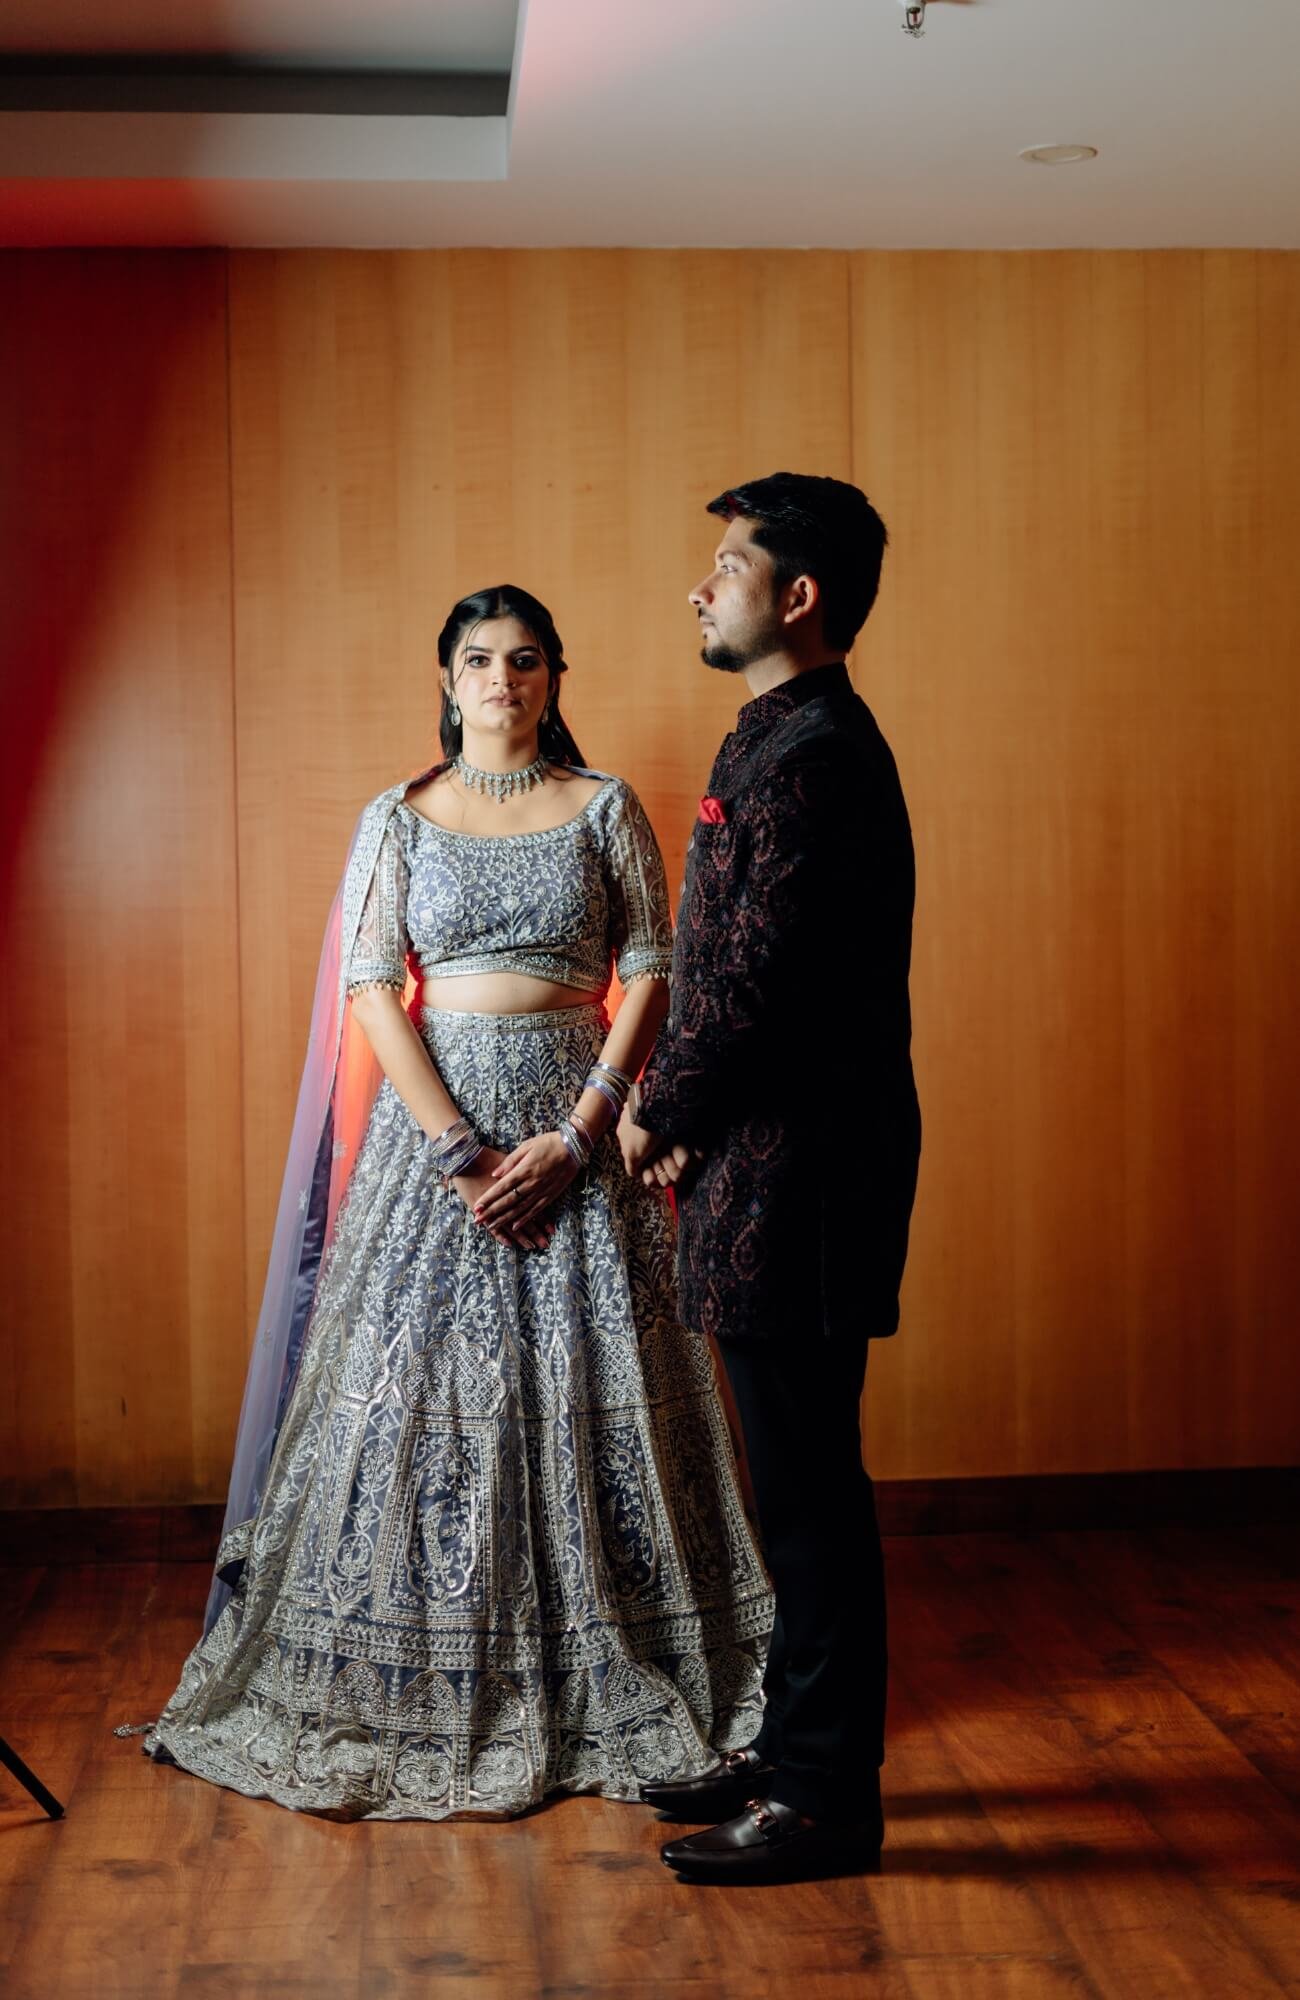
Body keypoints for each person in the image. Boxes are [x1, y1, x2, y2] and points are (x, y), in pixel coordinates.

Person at [142, 584, 773, 1820]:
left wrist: (581, 1132)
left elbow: (653, 963)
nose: (502, 679)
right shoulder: (397, 817)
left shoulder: (602, 809)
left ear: (553, 677)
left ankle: (624, 1644)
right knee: (420, 1400)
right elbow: (376, 983)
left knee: (600, 1396)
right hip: (436, 1142)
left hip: (576, 1121)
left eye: (525, 659)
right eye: (479, 659)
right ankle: (403, 1664)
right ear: (446, 678)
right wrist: (463, 1156)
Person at [626, 475, 921, 1882]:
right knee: (790, 1485)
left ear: (795, 597)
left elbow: (755, 985)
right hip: (768, 1164)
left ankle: (823, 1798)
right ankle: (792, 1751)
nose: (702, 586)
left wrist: (652, 1112)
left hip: (802, 1181)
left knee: (807, 1492)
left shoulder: (813, 753)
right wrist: (691, 1114)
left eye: (727, 565)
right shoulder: (783, 735)